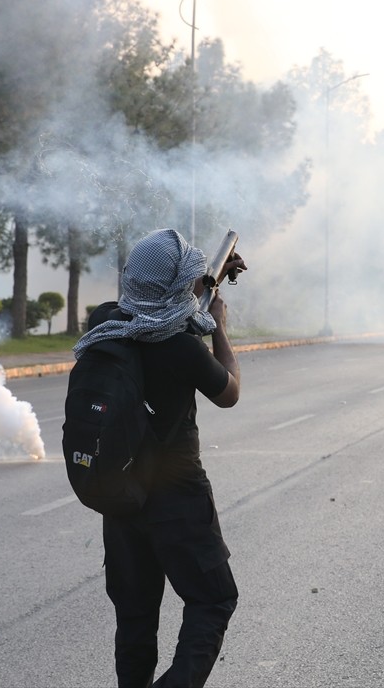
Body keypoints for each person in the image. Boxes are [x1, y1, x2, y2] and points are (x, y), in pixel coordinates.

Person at [73, 229, 247, 688]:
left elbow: (156, 313)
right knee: (213, 601)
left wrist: (204, 284)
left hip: (122, 493)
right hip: (178, 497)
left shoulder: (106, 323)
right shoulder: (182, 348)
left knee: (135, 615)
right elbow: (229, 392)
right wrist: (219, 324)